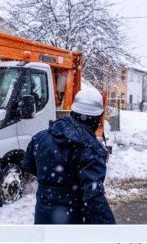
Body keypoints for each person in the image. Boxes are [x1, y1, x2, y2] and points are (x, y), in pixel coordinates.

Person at [22, 88, 115, 225]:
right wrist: (113, 231)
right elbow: (94, 197)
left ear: (74, 110)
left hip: (43, 220)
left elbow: (29, 165)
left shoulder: (40, 137)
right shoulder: (91, 149)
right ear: (97, 118)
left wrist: (55, 180)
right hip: (73, 224)